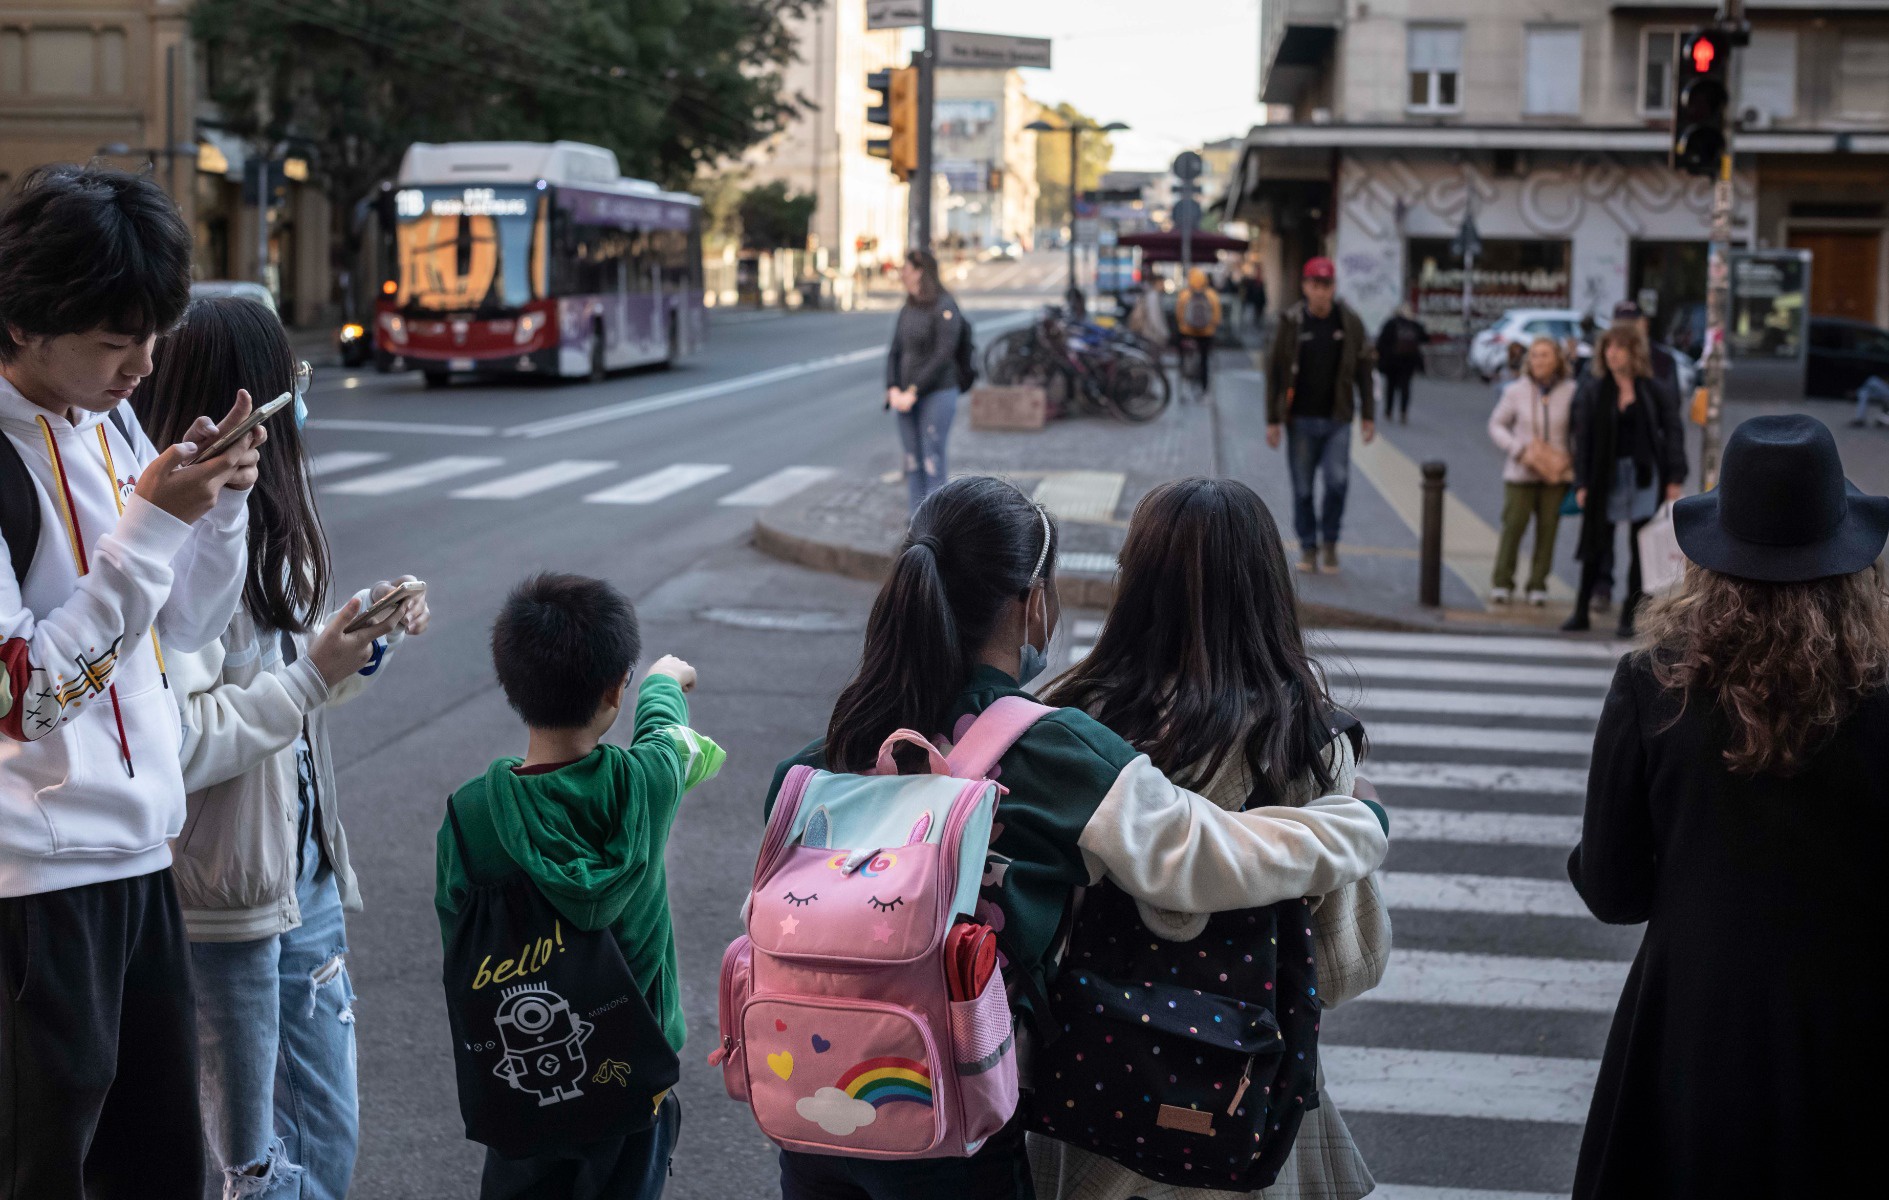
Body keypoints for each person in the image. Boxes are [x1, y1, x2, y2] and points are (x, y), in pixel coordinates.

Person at [765, 475, 1390, 1200]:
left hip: (818, 1108)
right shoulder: (1060, 747)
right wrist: (1359, 816)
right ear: (1033, 606)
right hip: (1072, 1111)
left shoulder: (815, 763)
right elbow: (1213, 863)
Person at [0, 163, 266, 1197]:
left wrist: (219, 502)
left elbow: (184, 624)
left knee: (158, 1167)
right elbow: (26, 697)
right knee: (45, 1169)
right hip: (32, 881)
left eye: (153, 333)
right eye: (117, 340)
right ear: (22, 321)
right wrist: (154, 524)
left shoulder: (105, 423)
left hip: (138, 856)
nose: (143, 365)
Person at [136, 297, 431, 1200]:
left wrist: (349, 649)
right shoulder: (162, 545)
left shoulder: (266, 526)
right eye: (286, 390)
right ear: (242, 404)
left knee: (322, 1149)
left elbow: (291, 698)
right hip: (222, 905)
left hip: (300, 879)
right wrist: (308, 677)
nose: (297, 412)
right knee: (257, 1170)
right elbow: (176, 746)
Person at [1032, 477, 1389, 1200]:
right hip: (1235, 1101)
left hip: (1083, 1085)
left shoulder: (1066, 721)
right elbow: (1347, 966)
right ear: (1266, 587)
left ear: (1134, 581)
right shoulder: (1308, 744)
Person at [1569, 413, 1889, 1199]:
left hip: (1693, 1022)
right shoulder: (1881, 692)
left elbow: (1612, 892)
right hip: (1854, 1026)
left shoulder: (1654, 684)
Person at [435, 573, 724, 1200]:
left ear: (510, 685)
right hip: (634, 1074)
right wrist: (663, 681)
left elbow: (455, 937)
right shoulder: (646, 783)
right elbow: (665, 732)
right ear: (613, 690)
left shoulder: (472, 815)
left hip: (521, 1087)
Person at [1561, 324, 1686, 637]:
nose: (1612, 353)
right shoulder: (1594, 389)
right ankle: (1580, 611)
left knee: (1641, 546)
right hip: (1606, 475)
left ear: (1634, 353)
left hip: (1644, 475)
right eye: (1608, 348)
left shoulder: (1652, 389)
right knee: (1596, 544)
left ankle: (1630, 617)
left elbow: (1673, 433)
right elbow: (1583, 439)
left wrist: (1674, 477)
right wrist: (1581, 483)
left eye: (1619, 347)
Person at [1266, 257, 1377, 575]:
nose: (1320, 291)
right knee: (1302, 489)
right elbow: (1274, 372)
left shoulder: (1349, 322)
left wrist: (1368, 415)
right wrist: (1272, 420)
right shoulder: (1291, 322)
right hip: (1299, 420)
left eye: (1326, 285)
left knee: (1337, 483)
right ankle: (1308, 547)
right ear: (1305, 286)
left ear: (1333, 288)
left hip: (1337, 420)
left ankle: (1330, 542)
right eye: (1315, 284)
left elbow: (1364, 370)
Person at [1487, 336, 1577, 606]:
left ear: (1557, 360)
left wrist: (1572, 456)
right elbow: (1495, 425)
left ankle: (1538, 584)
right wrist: (1517, 449)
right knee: (1513, 526)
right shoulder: (1515, 390)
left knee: (1548, 530)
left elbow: (1579, 428)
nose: (1539, 360)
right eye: (1535, 355)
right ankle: (1502, 581)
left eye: (1545, 355)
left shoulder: (1571, 390)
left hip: (1556, 473)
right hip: (1521, 471)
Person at [886, 249, 968, 514]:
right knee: (912, 463)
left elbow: (943, 355)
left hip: (938, 394)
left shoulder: (944, 305)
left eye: (906, 269)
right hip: (905, 398)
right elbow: (895, 351)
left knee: (933, 461)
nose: (902, 274)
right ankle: (915, 525)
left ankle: (933, 528)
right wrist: (893, 387)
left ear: (920, 272)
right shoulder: (908, 306)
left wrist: (913, 390)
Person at [1374, 305, 1427, 424]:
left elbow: (1382, 341)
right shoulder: (1414, 324)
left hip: (1392, 361)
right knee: (1405, 387)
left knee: (1391, 387)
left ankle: (1389, 411)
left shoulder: (1391, 323)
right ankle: (1403, 412)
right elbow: (1425, 338)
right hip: (1409, 361)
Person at [1175, 267, 1223, 395]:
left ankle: (1184, 385)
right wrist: (1211, 326)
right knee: (1204, 361)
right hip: (1206, 334)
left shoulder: (1184, 294)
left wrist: (1184, 326)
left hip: (1186, 333)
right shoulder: (1212, 295)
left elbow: (1179, 315)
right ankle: (1204, 388)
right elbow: (1217, 317)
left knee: (1185, 359)